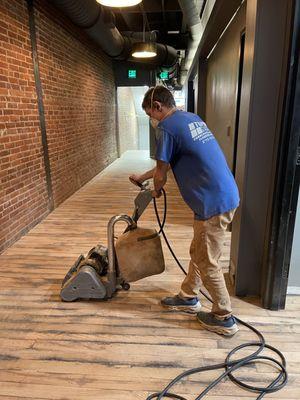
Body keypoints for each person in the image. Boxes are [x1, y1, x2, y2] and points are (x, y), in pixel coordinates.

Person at [129, 86, 240, 336]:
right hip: (224, 195)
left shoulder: (167, 127)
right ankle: (189, 296)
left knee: (207, 260)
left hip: (212, 202)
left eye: (150, 114)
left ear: (158, 106)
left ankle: (224, 317)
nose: (152, 120)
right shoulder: (191, 118)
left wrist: (155, 189)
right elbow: (164, 166)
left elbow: (161, 174)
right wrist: (142, 176)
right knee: (199, 250)